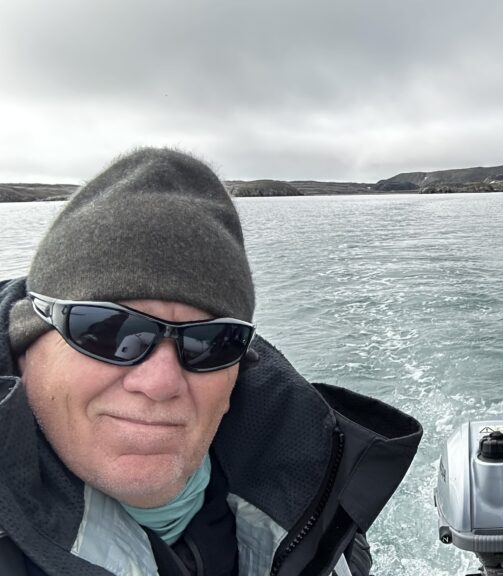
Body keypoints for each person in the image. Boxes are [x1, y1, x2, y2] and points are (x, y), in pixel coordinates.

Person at [0, 148, 423, 575]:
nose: (161, 381)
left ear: (238, 368)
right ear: (27, 337)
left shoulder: (313, 496)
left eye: (209, 342)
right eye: (109, 331)